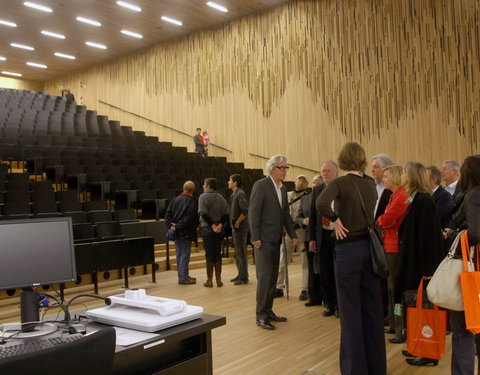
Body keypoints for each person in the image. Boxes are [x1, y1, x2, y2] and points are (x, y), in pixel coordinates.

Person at [316, 142, 386, 375]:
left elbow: (321, 203)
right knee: (371, 309)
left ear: (343, 160)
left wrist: (335, 220)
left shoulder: (340, 182)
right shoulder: (369, 184)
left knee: (350, 311)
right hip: (370, 249)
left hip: (348, 250)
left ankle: (355, 369)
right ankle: (376, 367)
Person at [394, 161, 444, 366]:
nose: (402, 177)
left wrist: (428, 271)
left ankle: (428, 350)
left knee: (424, 309)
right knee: (414, 307)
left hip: (421, 266)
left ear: (412, 176)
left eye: (405, 173)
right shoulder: (415, 199)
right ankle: (417, 344)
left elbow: (429, 238)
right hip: (411, 262)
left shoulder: (424, 201)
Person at [249, 154, 297, 330]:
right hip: (262, 240)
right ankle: (260, 314)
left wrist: (292, 234)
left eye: (286, 167)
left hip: (276, 239)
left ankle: (268, 310)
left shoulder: (283, 189)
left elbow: (285, 214)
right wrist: (255, 237)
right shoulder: (261, 185)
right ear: (272, 168)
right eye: (281, 167)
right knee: (264, 277)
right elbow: (254, 212)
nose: (285, 171)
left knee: (272, 277)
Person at [445, 155, 480, 375]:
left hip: (470, 271)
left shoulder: (471, 197)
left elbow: (475, 234)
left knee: (463, 331)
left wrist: (453, 234)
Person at [375, 166, 409, 342]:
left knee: (395, 289)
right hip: (389, 244)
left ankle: (400, 325)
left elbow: (385, 219)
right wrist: (383, 220)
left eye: (386, 176)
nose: (383, 178)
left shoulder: (401, 197)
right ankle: (394, 323)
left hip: (395, 247)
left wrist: (382, 221)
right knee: (390, 288)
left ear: (394, 177)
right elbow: (384, 219)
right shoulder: (393, 196)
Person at [308, 160, 339, 316]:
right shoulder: (318, 189)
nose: (325, 173)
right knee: (325, 272)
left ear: (336, 172)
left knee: (338, 272)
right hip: (323, 235)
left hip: (338, 235)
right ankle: (330, 304)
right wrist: (312, 238)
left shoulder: (341, 187)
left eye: (328, 170)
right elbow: (313, 216)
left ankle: (340, 306)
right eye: (323, 171)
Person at [275, 175, 309, 300]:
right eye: (299, 179)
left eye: (304, 180)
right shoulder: (287, 195)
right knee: (283, 259)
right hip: (288, 232)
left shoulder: (308, 197)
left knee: (305, 261)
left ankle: (305, 289)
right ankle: (278, 286)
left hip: (302, 232)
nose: (301, 182)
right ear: (295, 181)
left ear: (307, 185)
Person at [165, 181, 199, 284]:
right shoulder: (193, 201)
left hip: (176, 231)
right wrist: (178, 226)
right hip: (186, 231)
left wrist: (172, 226)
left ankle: (183, 275)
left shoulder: (175, 200)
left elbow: (167, 215)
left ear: (183, 188)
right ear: (193, 190)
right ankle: (183, 278)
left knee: (179, 254)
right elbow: (190, 218)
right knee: (184, 254)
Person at [198, 177, 229, 287]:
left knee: (209, 254)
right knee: (218, 254)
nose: (203, 186)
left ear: (208, 185)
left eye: (204, 184)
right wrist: (219, 225)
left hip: (207, 228)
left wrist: (212, 225)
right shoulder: (221, 197)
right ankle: (219, 280)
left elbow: (203, 214)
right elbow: (226, 214)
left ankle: (209, 280)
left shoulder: (202, 197)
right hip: (219, 229)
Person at [297, 174, 323, 307]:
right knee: (312, 267)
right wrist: (303, 221)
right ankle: (314, 297)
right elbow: (298, 217)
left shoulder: (325, 197)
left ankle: (326, 298)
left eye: (317, 182)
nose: (314, 185)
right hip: (309, 235)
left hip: (323, 236)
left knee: (323, 267)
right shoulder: (305, 198)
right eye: (313, 182)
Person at [228, 174, 249, 285]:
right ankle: (241, 274)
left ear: (235, 182)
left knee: (241, 251)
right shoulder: (234, 194)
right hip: (236, 227)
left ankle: (243, 277)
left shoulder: (240, 194)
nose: (228, 182)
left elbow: (245, 210)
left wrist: (237, 221)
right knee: (238, 252)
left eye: (230, 180)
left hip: (240, 227)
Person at [427, 165, 453, 230]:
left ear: (434, 180)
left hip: (440, 235)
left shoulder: (444, 196)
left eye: (425, 177)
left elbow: (434, 217)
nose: (422, 180)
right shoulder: (425, 194)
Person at [371, 154, 395, 220]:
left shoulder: (393, 188)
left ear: (386, 169)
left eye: (375, 167)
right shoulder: (371, 185)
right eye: (372, 167)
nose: (372, 170)